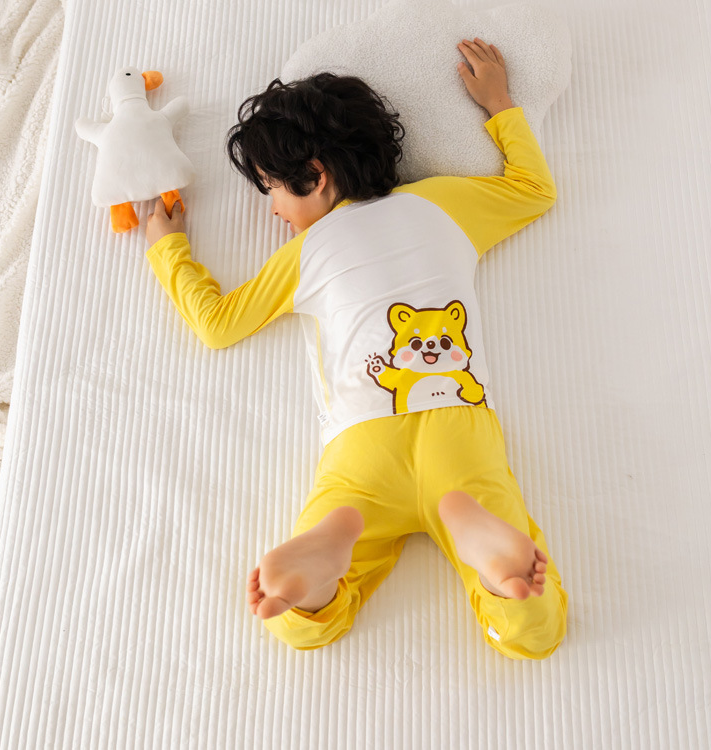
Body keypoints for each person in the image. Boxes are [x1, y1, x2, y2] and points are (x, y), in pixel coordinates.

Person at [145, 38, 568, 660]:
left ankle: (328, 558)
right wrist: (499, 104)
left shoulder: (306, 253)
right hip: (459, 423)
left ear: (316, 176)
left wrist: (168, 249)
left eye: (272, 189)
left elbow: (217, 324)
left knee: (296, 626)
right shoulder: (443, 202)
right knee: (534, 633)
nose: (273, 209)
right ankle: (478, 541)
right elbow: (534, 189)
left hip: (363, 444)